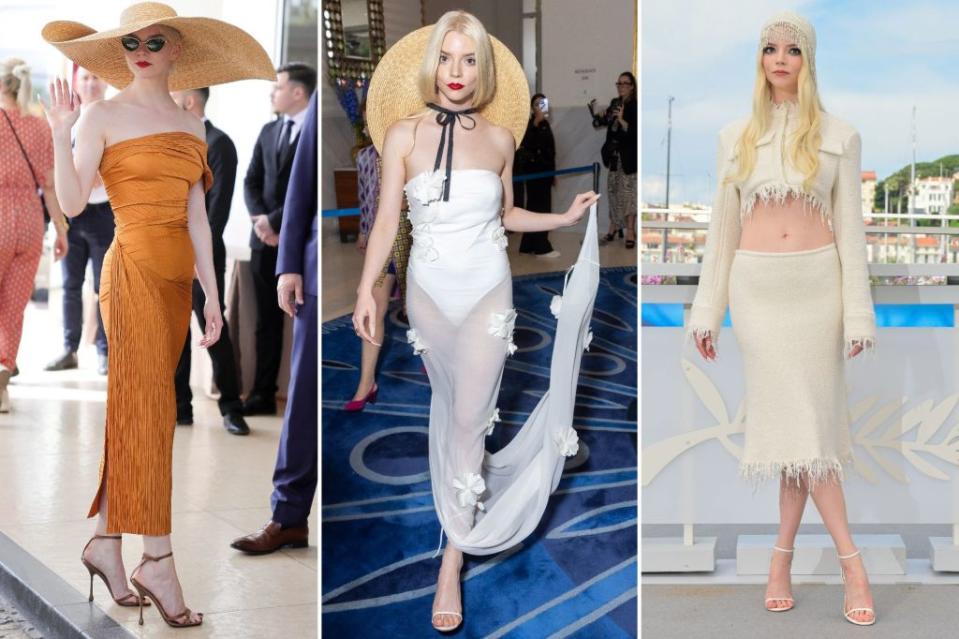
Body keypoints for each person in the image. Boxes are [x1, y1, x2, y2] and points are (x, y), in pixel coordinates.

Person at [354, 12, 600, 632]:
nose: (457, 72)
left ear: (482, 71)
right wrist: (365, 290)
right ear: (431, 63)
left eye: (468, 60)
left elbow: (508, 214)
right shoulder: (401, 135)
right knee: (454, 407)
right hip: (429, 297)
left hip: (490, 290)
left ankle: (452, 553)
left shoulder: (499, 139)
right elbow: (387, 222)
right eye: (447, 58)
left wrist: (563, 219)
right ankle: (474, 481)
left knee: (470, 415)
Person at [42, 1, 274, 628]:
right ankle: (158, 559)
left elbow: (198, 216)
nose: (141, 50)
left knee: (136, 413)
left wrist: (213, 296)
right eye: (131, 42)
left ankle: (104, 545)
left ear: (177, 51)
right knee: (150, 415)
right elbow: (69, 199)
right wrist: (64, 131)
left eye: (154, 41)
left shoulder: (192, 125)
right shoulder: (100, 114)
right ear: (121, 53)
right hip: (132, 274)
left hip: (177, 284)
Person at [688, 12, 876, 626]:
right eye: (769, 47)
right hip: (759, 297)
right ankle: (850, 563)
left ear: (808, 60)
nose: (779, 57)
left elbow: (851, 232)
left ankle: (785, 559)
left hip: (818, 292)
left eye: (791, 49)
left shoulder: (840, 136)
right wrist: (707, 308)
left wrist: (857, 316)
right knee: (802, 434)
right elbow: (722, 233)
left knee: (806, 438)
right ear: (759, 58)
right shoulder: (734, 137)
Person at [230, 90, 317, 555]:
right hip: (316, 268)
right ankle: (288, 517)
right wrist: (289, 262)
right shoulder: (281, 124)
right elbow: (303, 182)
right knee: (303, 401)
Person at [170, 86, 249, 436]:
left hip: (203, 253)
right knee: (176, 333)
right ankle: (179, 407)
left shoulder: (219, 143)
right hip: (168, 252)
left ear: (190, 100)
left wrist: (196, 251)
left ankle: (232, 408)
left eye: (174, 94)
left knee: (215, 329)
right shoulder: (171, 143)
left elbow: (216, 212)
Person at [242, 62, 316, 417]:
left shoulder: (311, 134)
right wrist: (261, 222)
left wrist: (275, 222)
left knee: (303, 325)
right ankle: (262, 393)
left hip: (298, 243)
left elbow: (303, 190)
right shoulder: (268, 131)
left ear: (298, 92)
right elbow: (251, 181)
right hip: (262, 243)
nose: (273, 93)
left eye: (278, 87)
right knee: (265, 323)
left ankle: (301, 402)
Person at [0, 57, 69, 411]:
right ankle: (2, 385)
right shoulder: (39, 127)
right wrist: (61, 229)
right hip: (29, 219)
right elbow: (51, 186)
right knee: (13, 308)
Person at [45, 65, 114, 376]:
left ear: (106, 82)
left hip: (104, 213)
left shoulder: (116, 118)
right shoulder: (67, 119)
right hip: (72, 214)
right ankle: (69, 348)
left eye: (96, 76)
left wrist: (102, 173)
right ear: (76, 82)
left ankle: (105, 351)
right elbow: (55, 167)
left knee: (104, 286)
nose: (90, 82)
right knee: (70, 285)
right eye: (85, 77)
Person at [345, 109, 413, 411]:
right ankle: (366, 382)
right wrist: (364, 231)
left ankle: (438, 361)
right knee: (374, 305)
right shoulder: (364, 157)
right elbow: (364, 199)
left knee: (421, 309)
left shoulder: (410, 151)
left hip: (417, 236)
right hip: (382, 239)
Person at [515, 93, 559, 258]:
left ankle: (528, 245)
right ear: (532, 108)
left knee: (539, 208)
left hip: (545, 175)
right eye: (538, 104)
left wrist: (553, 174)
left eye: (544, 104)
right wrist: (535, 123)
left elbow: (551, 151)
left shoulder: (545, 125)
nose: (542, 107)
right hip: (534, 174)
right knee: (537, 209)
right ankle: (541, 247)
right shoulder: (530, 125)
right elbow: (526, 145)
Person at [597, 71, 636, 248]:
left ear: (632, 86)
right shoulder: (615, 103)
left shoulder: (635, 105)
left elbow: (634, 132)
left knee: (628, 195)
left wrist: (622, 120)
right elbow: (603, 124)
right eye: (618, 83)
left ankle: (630, 231)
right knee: (612, 190)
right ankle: (612, 228)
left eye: (625, 83)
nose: (621, 87)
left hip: (628, 156)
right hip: (613, 155)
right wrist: (601, 116)